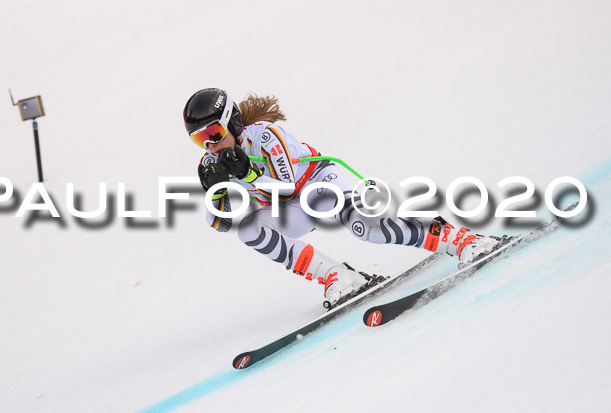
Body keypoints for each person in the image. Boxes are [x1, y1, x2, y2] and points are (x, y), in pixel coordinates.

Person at [183, 88, 502, 308]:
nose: (209, 146)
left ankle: (462, 240)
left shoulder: (265, 136)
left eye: (213, 134)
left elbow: (291, 187)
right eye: (200, 140)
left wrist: (247, 175)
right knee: (249, 230)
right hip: (289, 211)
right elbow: (221, 225)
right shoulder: (212, 163)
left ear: (233, 123)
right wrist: (216, 191)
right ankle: (338, 276)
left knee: (368, 229)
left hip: (318, 185)